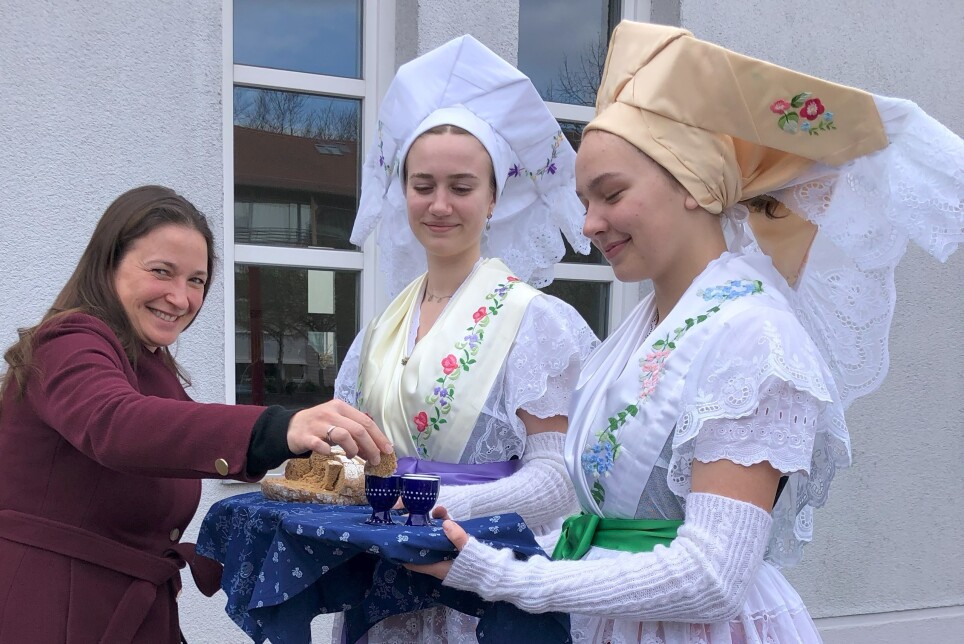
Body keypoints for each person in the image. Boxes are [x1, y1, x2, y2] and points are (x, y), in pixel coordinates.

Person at [408, 21, 964, 643]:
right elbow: (604, 528)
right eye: (585, 200)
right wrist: (466, 540)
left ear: (694, 184)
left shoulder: (755, 338)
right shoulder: (637, 331)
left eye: (610, 194)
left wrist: (506, 574)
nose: (589, 223)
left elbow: (712, 574)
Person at [0, 185, 392, 644]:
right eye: (162, 272)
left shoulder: (146, 360)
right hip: (39, 615)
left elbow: (168, 446)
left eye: (196, 281)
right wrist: (283, 425)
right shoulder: (69, 341)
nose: (180, 298)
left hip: (121, 614)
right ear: (109, 263)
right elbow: (117, 424)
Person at [333, 35, 601, 642]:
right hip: (384, 587)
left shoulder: (536, 324)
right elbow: (353, 453)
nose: (439, 204)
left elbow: (559, 479)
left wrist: (435, 506)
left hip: (477, 579)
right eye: (422, 184)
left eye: (461, 186)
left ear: (493, 197)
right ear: (402, 191)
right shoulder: (380, 329)